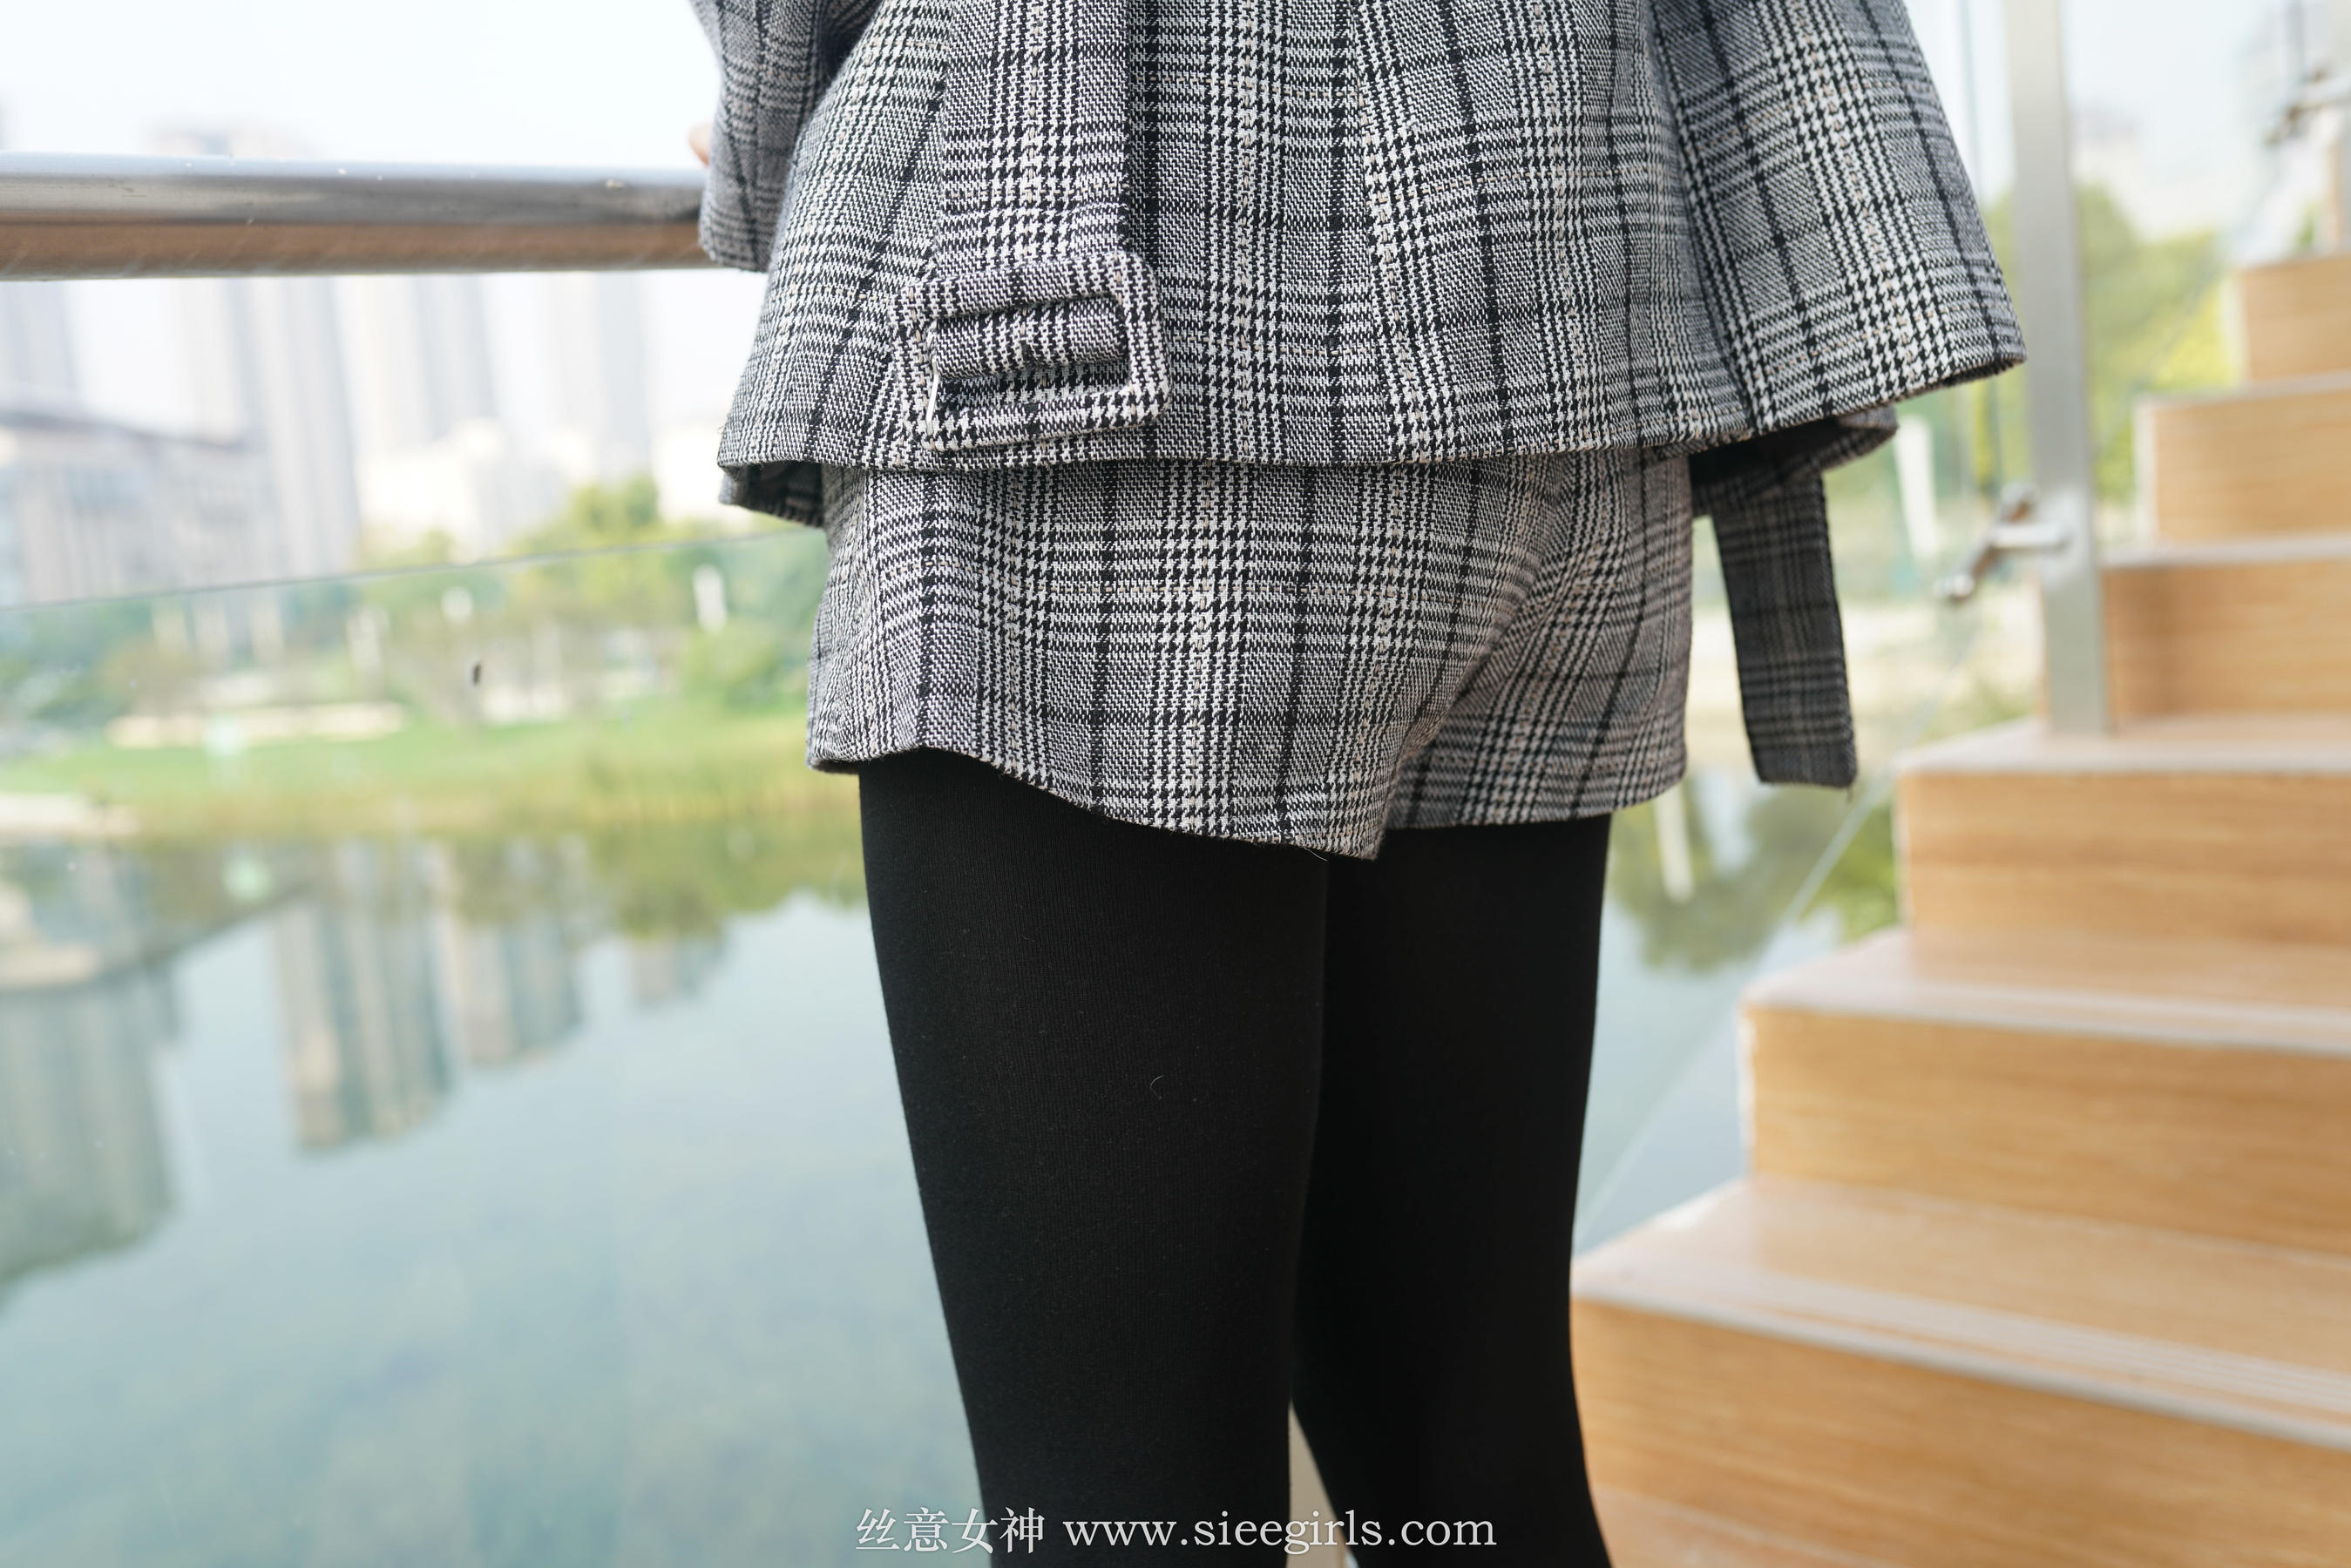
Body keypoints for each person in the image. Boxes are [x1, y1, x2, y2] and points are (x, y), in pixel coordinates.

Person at [688, 0, 2021, 1558]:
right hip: (1571, 311)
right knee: (1473, 1444)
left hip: (1119, 346)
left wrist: (765, 152)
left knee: (1125, 1509)